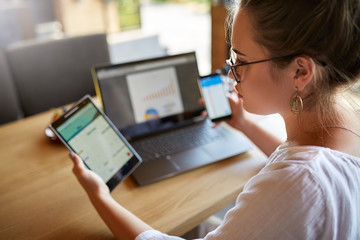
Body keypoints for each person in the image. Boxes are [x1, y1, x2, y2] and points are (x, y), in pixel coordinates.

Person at [69, 0, 360, 239]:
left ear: (300, 72)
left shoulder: (296, 183)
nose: (232, 73)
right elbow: (309, 162)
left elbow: (302, 177)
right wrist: (244, 125)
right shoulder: (345, 123)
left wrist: (100, 197)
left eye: (241, 61)